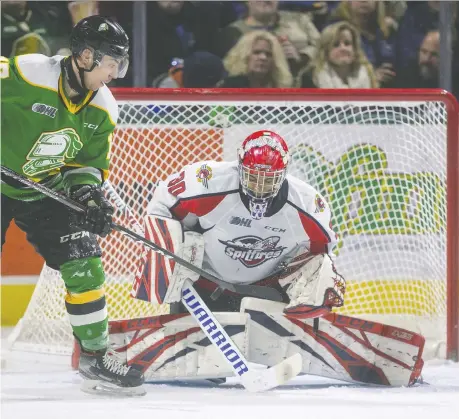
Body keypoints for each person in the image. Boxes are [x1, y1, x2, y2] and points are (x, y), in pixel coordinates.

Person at [1, 15, 144, 396]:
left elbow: (87, 164)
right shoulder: (27, 73)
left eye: (120, 64)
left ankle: (95, 356)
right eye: (111, 63)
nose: (115, 73)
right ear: (84, 56)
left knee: (85, 260)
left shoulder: (104, 108)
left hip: (44, 188)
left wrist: (88, 197)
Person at [137, 130, 344, 317]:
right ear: (240, 166)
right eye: (253, 178)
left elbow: (322, 254)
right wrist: (164, 253)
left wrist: (321, 285)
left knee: (320, 266)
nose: (260, 187)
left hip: (267, 293)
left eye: (269, 180)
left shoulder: (307, 206)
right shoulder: (208, 182)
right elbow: (162, 205)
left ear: (283, 174)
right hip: (201, 285)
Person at [299, 21, 378, 88]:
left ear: (355, 49)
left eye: (347, 43)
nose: (343, 48)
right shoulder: (311, 77)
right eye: (336, 45)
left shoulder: (367, 72)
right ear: (325, 50)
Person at [220, 30, 293, 88]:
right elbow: (218, 107)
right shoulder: (229, 86)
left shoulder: (280, 88)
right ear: (244, 56)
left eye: (268, 54)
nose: (263, 58)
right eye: (257, 52)